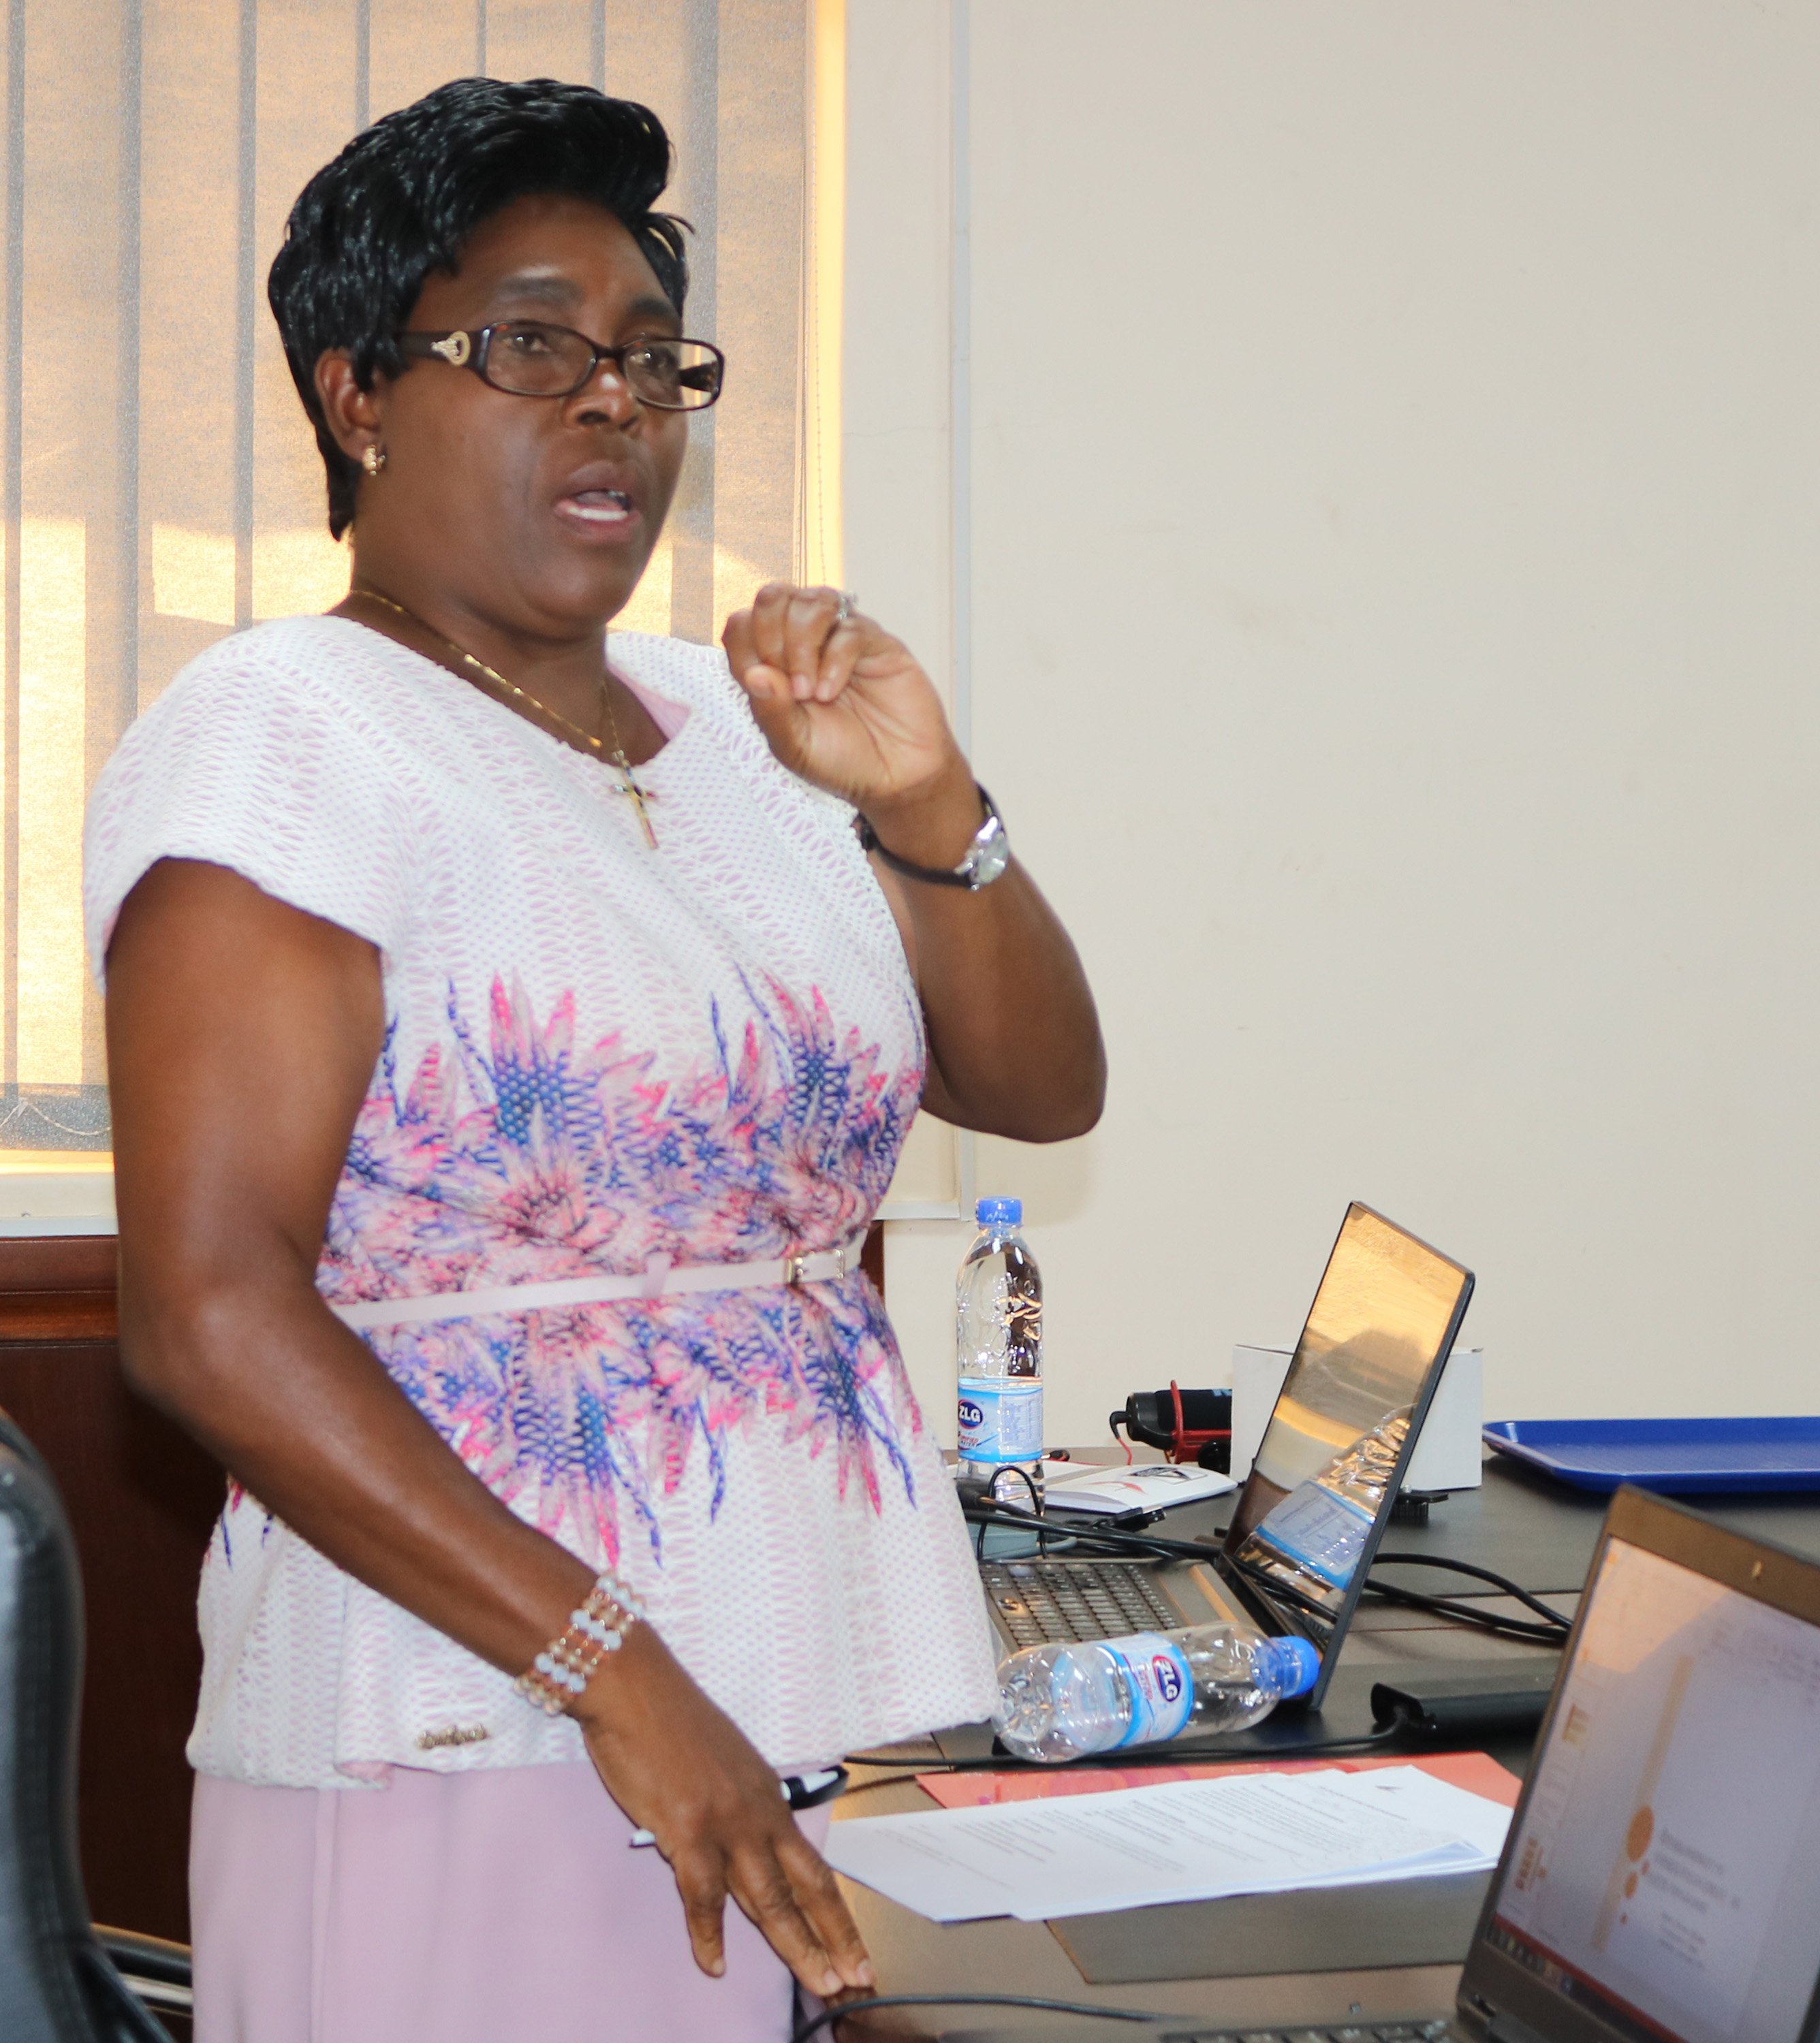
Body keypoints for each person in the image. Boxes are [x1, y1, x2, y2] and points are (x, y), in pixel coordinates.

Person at [84, 77, 1103, 2043]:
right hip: (480, 1715)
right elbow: (206, 1315)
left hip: (810, 1681)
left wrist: (930, 804)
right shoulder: (287, 737)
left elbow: (1040, 1091)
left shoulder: (742, 727)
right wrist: (620, 1675)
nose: (617, 405)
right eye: (532, 345)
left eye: (653, 359)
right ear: (356, 395)